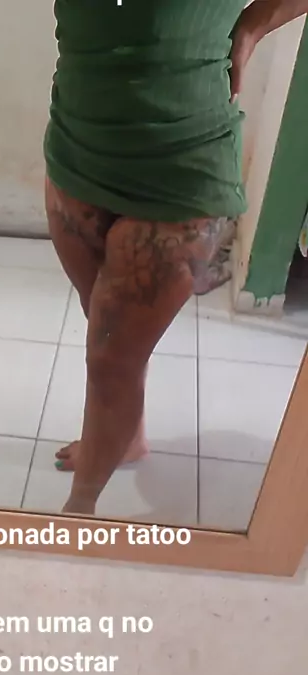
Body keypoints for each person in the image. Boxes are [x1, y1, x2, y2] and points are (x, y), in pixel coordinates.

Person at [44, 0, 308, 517]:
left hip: (182, 158)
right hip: (77, 140)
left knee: (111, 359)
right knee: (105, 328)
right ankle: (126, 438)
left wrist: (253, 26)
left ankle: (79, 511)